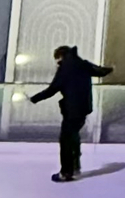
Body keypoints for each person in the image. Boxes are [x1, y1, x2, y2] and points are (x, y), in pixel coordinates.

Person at [29, 44, 111, 182]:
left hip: (71, 110)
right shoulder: (82, 64)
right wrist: (111, 69)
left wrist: (34, 98)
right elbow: (101, 71)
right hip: (83, 108)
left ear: (60, 56)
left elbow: (53, 89)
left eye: (57, 59)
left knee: (66, 140)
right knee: (74, 137)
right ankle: (75, 167)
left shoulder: (65, 68)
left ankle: (66, 172)